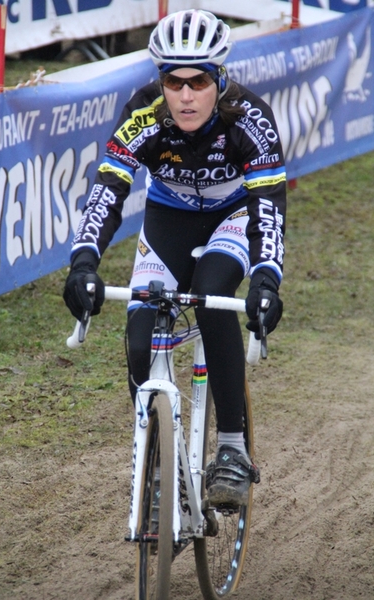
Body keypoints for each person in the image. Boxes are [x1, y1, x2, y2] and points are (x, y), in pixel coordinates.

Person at [63, 9, 286, 508]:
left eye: (199, 81)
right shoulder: (143, 112)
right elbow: (108, 190)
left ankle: (231, 447)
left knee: (211, 298)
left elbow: (268, 207)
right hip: (168, 219)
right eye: (174, 82)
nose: (186, 96)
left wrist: (267, 280)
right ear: (160, 80)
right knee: (140, 339)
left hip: (233, 216)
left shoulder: (250, 116)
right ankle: (160, 467)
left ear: (219, 77)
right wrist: (83, 263)